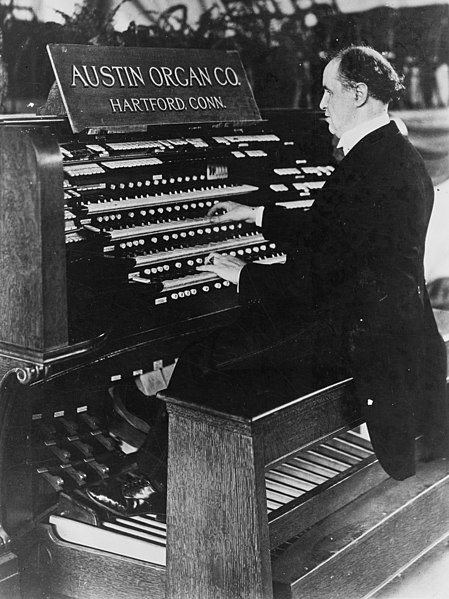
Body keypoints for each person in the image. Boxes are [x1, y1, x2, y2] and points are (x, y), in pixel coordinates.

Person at [86, 45, 449, 519]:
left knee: (203, 357)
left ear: (358, 94)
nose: (320, 104)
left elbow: (322, 277)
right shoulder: (389, 153)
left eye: (328, 91)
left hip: (352, 333)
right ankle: (150, 429)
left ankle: (153, 484)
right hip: (379, 321)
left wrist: (245, 274)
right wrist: (256, 213)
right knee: (225, 341)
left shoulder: (370, 167)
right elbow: (334, 234)